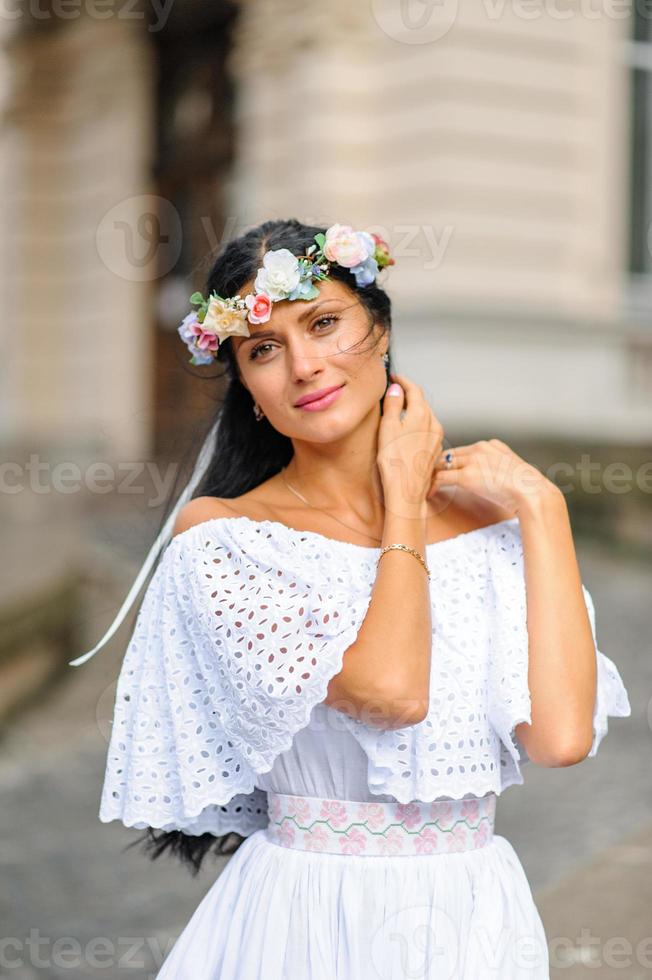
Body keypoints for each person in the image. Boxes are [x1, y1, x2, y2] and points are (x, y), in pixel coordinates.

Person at [71, 219, 631, 979]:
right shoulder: (225, 538)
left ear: (383, 333)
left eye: (325, 323)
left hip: (473, 915)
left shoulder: (495, 523)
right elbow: (391, 693)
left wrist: (543, 508)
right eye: (263, 350)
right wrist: (403, 501)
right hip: (308, 915)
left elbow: (560, 738)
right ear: (253, 396)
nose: (303, 365)